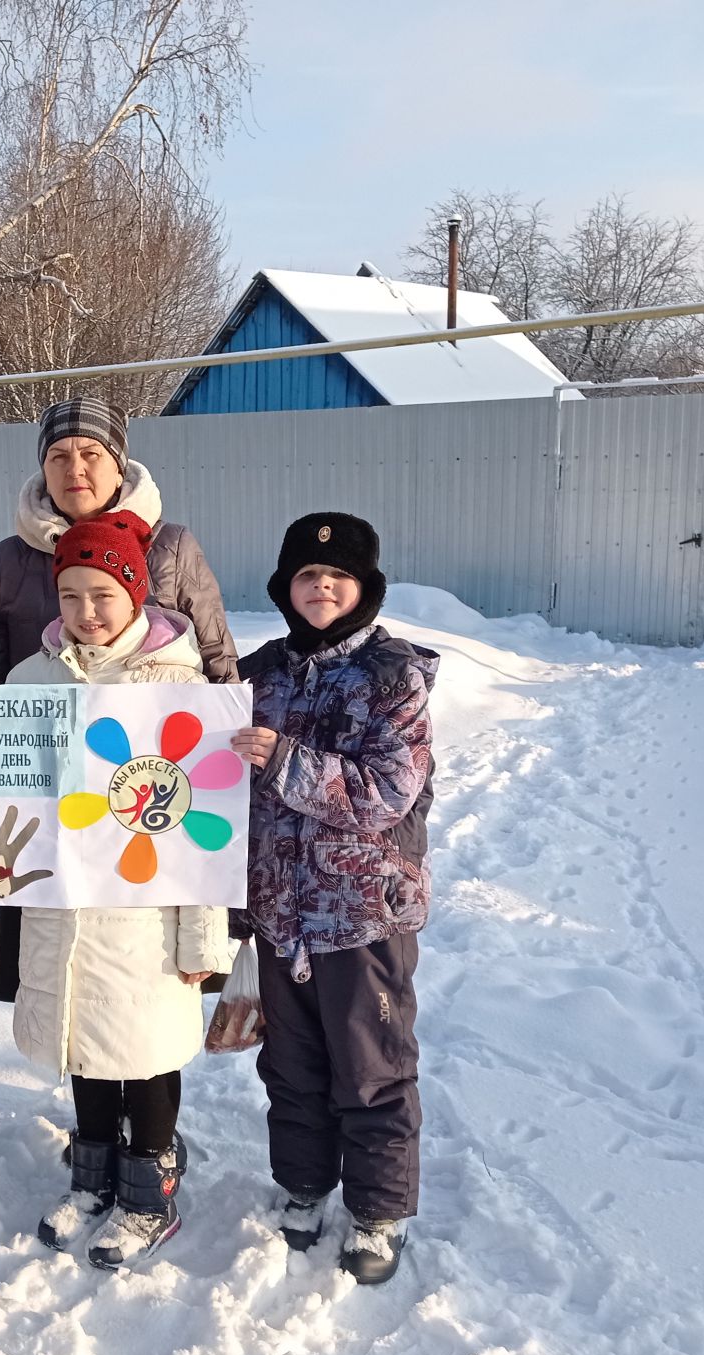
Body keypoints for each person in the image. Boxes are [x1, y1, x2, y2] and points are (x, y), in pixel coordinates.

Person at [0, 512, 233, 1269]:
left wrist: (202, 941)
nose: (87, 612)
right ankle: (92, 1180)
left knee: (144, 1054)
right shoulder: (30, 682)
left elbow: (204, 831)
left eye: (104, 595)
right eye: (72, 595)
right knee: (84, 1046)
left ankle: (148, 1191)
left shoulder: (179, 689)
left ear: (137, 594)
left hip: (146, 920)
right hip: (60, 911)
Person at [0, 396, 238, 1006]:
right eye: (59, 457)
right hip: (49, 796)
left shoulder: (169, 546)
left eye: (91, 453)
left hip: (148, 795)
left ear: (120, 464)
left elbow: (217, 660)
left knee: (144, 982)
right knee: (60, 975)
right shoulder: (13, 557)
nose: (75, 470)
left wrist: (227, 762)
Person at [229, 513, 437, 1284]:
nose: (321, 587)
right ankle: (305, 1186)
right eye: (307, 576)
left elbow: (388, 793)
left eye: (338, 577)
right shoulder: (259, 675)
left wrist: (285, 759)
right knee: (291, 1064)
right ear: (285, 588)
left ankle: (379, 1210)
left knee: (371, 1065)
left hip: (362, 914)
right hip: (280, 908)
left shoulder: (393, 678)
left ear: (364, 590)